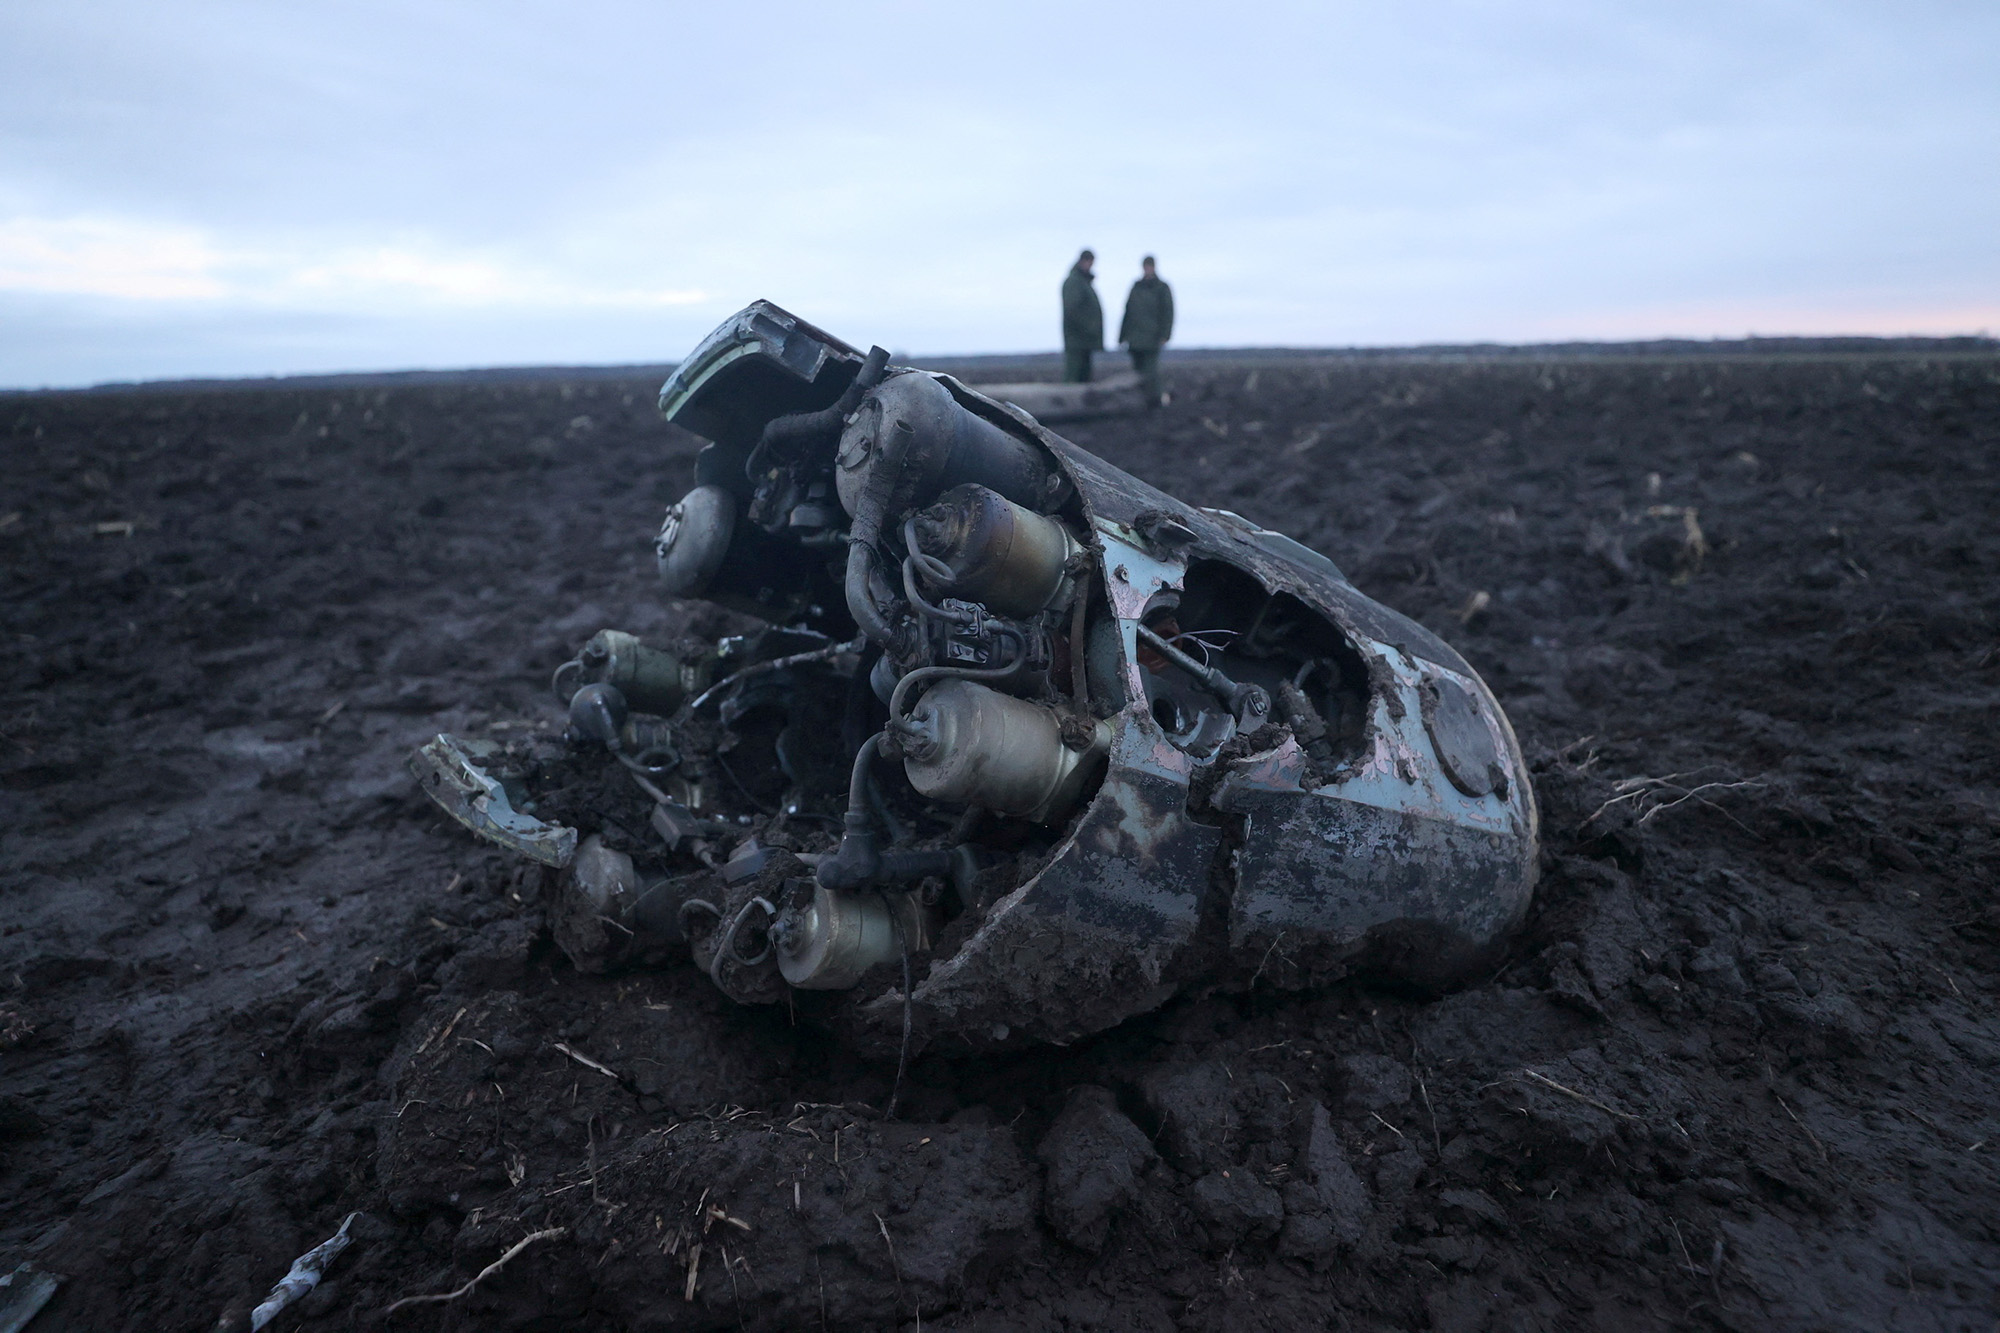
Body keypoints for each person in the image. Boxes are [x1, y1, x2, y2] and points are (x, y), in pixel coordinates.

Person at [1119, 255, 1174, 406]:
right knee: (1137, 372)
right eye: (1146, 266)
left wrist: (1165, 334)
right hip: (1135, 339)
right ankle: (1139, 400)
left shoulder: (1162, 288)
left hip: (1152, 338)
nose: (1148, 269)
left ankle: (1155, 401)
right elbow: (1128, 312)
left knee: (1151, 372)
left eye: (1150, 266)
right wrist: (1122, 335)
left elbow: (1168, 312)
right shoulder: (1136, 287)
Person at [1061, 249, 1103, 383]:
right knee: (1073, 376)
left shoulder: (1083, 282)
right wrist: (1088, 327)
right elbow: (1072, 310)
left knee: (1084, 377)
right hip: (1076, 339)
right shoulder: (1074, 282)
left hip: (1085, 340)